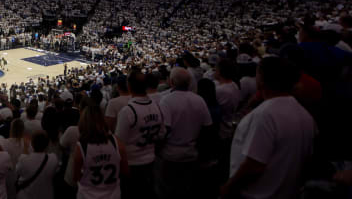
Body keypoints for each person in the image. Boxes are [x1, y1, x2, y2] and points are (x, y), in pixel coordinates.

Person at [221, 56, 316, 199]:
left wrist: (228, 187)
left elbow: (254, 166)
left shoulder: (265, 115)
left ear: (262, 79)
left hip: (258, 194)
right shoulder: (305, 114)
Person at [155, 67, 213, 199]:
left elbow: (165, 130)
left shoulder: (167, 100)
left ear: (171, 82)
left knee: (168, 191)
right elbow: (207, 128)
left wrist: (158, 149)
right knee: (187, 190)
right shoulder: (199, 100)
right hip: (191, 153)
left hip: (170, 155)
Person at [115, 69, 163, 199]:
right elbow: (161, 135)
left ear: (129, 87)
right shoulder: (157, 106)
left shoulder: (128, 111)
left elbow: (119, 144)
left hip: (132, 165)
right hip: (151, 161)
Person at [73, 103, 128, 199]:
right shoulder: (117, 143)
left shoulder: (81, 147)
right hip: (113, 194)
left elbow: (76, 177)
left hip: (87, 195)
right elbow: (125, 171)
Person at [15, 132, 58, 199]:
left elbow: (17, 171)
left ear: (32, 144)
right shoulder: (53, 159)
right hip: (46, 195)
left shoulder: (23, 160)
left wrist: (26, 147)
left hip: (27, 195)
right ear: (47, 144)